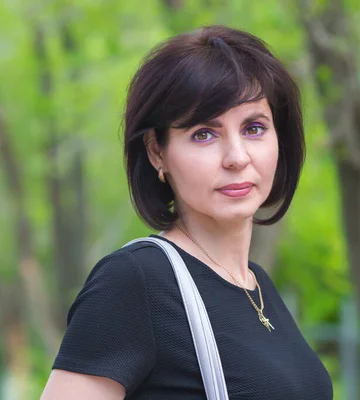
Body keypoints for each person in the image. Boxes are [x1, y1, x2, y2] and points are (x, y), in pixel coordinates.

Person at [41, 25, 334, 399]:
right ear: (156, 152)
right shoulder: (136, 282)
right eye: (203, 134)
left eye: (254, 128)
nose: (237, 157)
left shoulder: (256, 284)